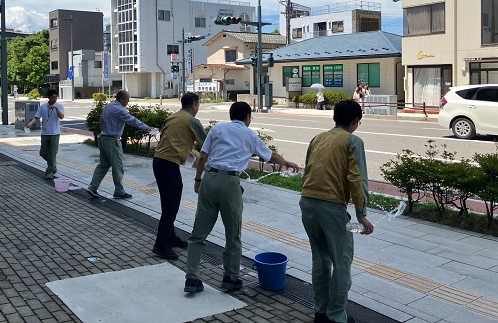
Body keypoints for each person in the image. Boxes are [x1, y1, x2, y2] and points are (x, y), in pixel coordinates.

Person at [184, 101, 300, 293]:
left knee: (198, 233)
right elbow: (270, 155)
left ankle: (191, 278)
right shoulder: (249, 134)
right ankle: (230, 278)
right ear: (247, 117)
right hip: (230, 184)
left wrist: (198, 180)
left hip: (209, 179)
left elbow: (203, 156)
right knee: (233, 234)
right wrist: (287, 162)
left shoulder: (217, 128)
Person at [300, 100, 374, 323]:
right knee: (342, 262)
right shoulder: (353, 141)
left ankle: (321, 312)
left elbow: (308, 170)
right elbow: (357, 178)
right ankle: (336, 316)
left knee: (320, 259)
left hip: (307, 202)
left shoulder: (318, 138)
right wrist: (361, 213)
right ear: (354, 121)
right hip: (332, 207)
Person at [152, 92, 207, 260]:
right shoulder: (192, 120)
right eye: (198, 105)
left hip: (159, 161)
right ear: (193, 105)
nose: (198, 108)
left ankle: (170, 236)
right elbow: (208, 145)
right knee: (171, 205)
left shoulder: (173, 117)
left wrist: (190, 150)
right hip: (169, 164)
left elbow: (171, 139)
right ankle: (160, 245)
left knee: (168, 202)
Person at [86, 90, 152, 199]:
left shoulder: (108, 106)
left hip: (103, 137)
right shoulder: (119, 110)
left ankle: (93, 187)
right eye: (128, 99)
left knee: (103, 165)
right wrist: (146, 128)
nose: (128, 101)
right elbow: (132, 120)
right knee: (117, 166)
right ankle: (119, 191)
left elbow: (101, 120)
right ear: (122, 99)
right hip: (112, 140)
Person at [26, 89, 65, 180]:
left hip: (55, 133)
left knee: (52, 153)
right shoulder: (43, 107)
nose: (54, 99)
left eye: (56, 97)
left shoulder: (59, 106)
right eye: (53, 97)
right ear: (48, 97)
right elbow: (37, 117)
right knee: (43, 153)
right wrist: (31, 123)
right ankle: (53, 165)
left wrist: (56, 108)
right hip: (45, 133)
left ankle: (49, 172)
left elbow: (62, 117)